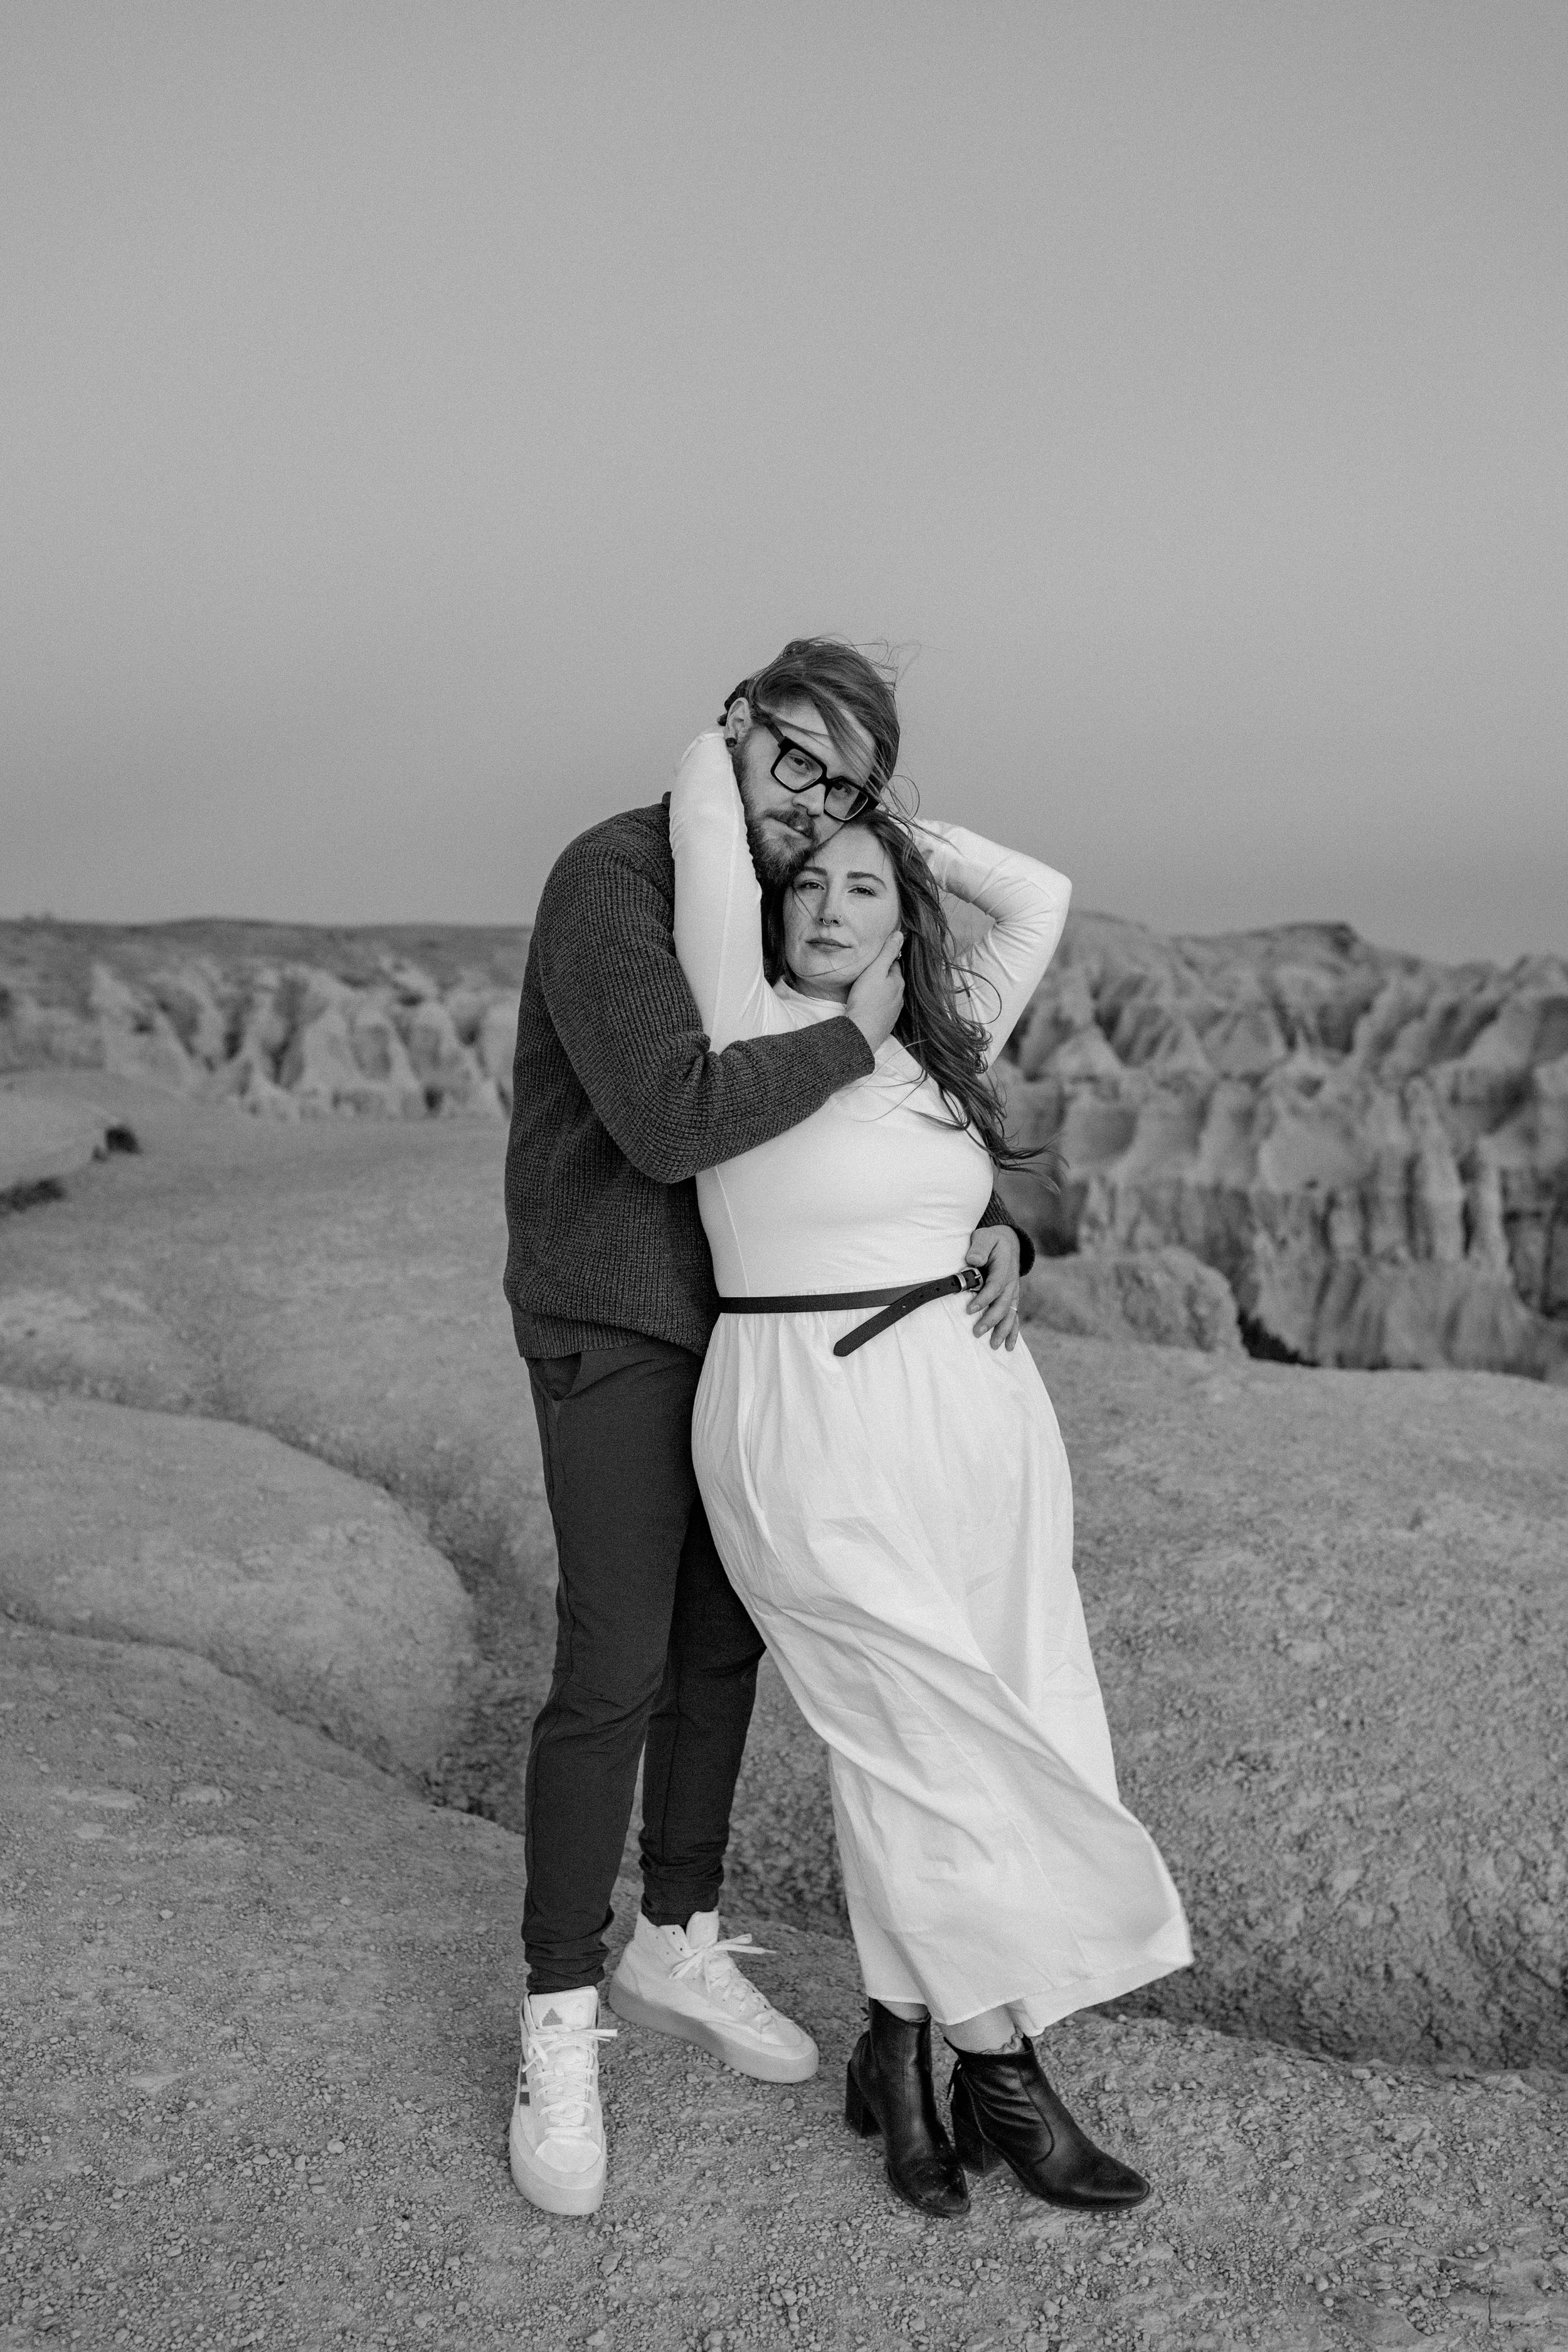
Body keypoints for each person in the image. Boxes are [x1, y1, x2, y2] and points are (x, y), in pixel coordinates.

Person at [501, 638, 1035, 2216]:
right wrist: (860, 1030)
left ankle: (673, 1940)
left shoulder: (786, 897)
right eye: (788, 760)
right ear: (726, 730)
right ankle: (556, 2022)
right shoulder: (615, 877)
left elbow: (878, 1133)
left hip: (756, 1351)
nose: (810, 812)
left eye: (844, 787)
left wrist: (998, 1221)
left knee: (722, 1653)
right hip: (618, 1319)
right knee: (610, 1669)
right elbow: (672, 1119)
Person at [667, 708, 1192, 2220]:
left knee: (994, 1716)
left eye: (865, 887)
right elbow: (709, 809)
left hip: (975, 1414)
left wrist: (884, 821)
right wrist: (776, 760)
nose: (829, 907)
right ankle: (1003, 2070)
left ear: (904, 916)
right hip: (806, 1416)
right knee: (916, 1739)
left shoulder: (935, 1050)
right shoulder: (738, 1016)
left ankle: (894, 2050)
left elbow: (1034, 891)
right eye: (811, 880)